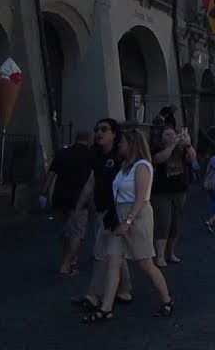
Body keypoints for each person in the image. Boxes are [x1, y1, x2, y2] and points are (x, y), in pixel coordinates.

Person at [83, 128, 174, 322]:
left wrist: (129, 221)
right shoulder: (124, 166)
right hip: (119, 213)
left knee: (146, 264)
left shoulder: (142, 166)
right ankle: (106, 308)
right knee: (113, 261)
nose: (120, 145)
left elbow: (140, 198)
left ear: (132, 144)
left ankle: (167, 300)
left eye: (123, 142)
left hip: (137, 216)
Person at [73, 119, 134, 312]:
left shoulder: (119, 156)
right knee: (116, 253)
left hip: (114, 210)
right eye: (97, 129)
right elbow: (92, 181)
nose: (99, 133)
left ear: (114, 133)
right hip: (100, 209)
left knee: (101, 253)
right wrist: (79, 206)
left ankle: (95, 295)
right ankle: (124, 289)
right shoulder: (96, 154)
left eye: (104, 130)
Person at [40, 130, 94, 276]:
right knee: (77, 231)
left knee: (64, 230)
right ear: (88, 141)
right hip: (79, 198)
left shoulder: (62, 153)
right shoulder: (90, 156)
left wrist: (43, 193)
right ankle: (69, 262)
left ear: (75, 139)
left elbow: (51, 175)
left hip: (60, 196)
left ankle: (67, 256)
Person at [151, 126, 195, 265]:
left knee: (175, 223)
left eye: (173, 134)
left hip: (179, 190)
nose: (171, 137)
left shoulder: (181, 150)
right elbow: (159, 159)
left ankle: (171, 253)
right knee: (163, 222)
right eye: (167, 134)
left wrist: (188, 144)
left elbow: (192, 158)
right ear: (161, 137)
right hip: (161, 191)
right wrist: (171, 145)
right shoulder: (156, 149)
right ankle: (159, 256)